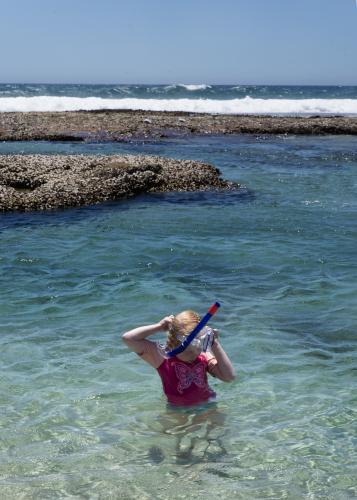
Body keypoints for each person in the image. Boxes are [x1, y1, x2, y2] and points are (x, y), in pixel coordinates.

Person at [122, 309, 235, 406]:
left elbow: (229, 377)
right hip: (177, 409)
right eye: (190, 350)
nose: (195, 352)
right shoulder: (162, 356)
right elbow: (128, 338)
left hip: (207, 405)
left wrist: (214, 343)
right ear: (176, 343)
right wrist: (159, 327)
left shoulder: (203, 354)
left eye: (200, 343)